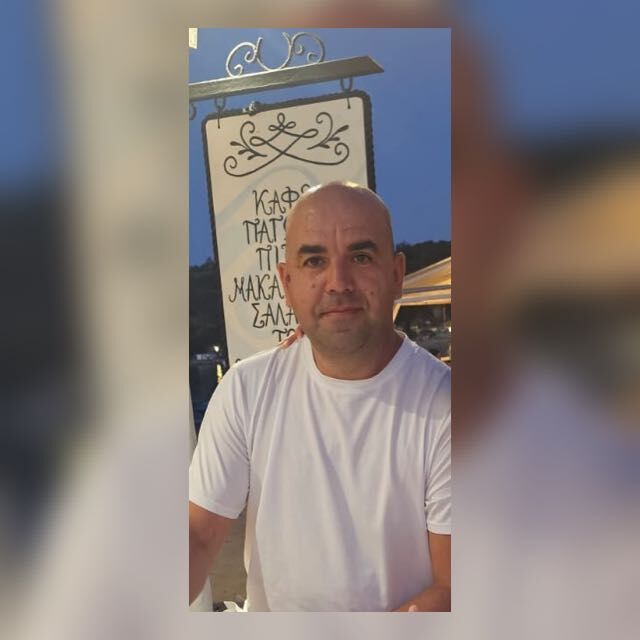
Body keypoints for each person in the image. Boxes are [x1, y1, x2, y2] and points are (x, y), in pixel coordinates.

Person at [189, 182, 451, 612]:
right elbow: (198, 536)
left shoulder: (447, 408)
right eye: (314, 261)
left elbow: (453, 587)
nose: (338, 282)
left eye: (361, 257)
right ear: (287, 282)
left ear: (396, 274)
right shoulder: (245, 391)